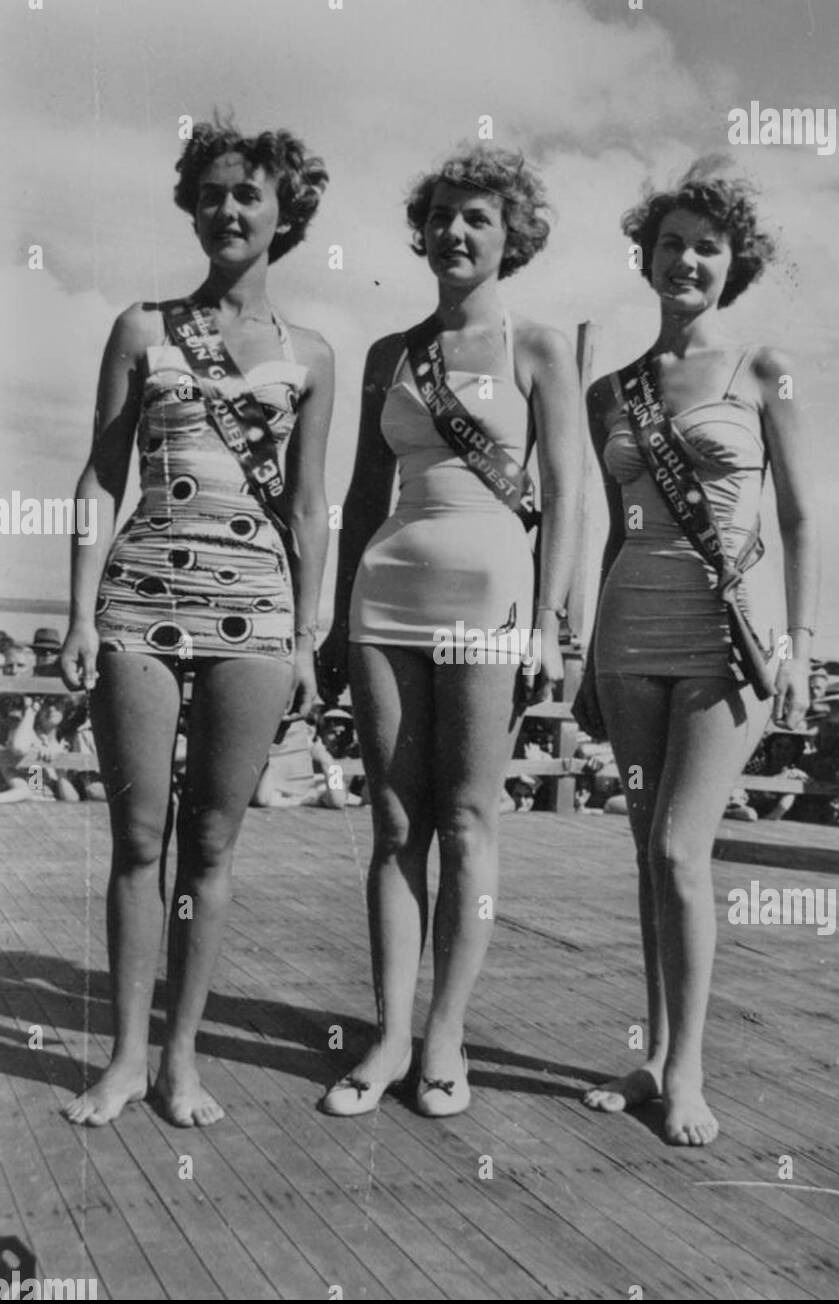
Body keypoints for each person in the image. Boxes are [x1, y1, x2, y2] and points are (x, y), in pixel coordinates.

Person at [59, 119, 334, 1127]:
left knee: (211, 849)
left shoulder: (314, 355)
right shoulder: (142, 327)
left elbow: (309, 508)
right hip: (141, 602)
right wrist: (82, 610)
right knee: (139, 839)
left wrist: (309, 636)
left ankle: (181, 1061)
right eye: (212, 192)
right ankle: (125, 1057)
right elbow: (101, 474)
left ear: (283, 212)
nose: (228, 209)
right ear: (192, 203)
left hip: (256, 612)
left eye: (248, 195)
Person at [317, 145, 580, 1117]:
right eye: (442, 218)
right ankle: (387, 1035)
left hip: (491, 599)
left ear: (512, 238)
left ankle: (445, 1037)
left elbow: (569, 497)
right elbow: (355, 491)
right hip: (386, 590)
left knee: (468, 823)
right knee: (395, 824)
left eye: (478, 219)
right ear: (421, 232)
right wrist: (336, 615)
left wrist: (553, 621)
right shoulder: (391, 353)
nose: (456, 234)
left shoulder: (537, 348)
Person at [578, 160, 819, 1145]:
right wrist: (588, 646)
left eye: (707, 246)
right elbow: (610, 529)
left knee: (683, 848)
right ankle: (653, 1053)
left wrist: (802, 642)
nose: (686, 259)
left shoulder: (761, 370)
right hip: (628, 632)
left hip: (729, 640)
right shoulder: (610, 391)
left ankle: (688, 1070)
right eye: (670, 242)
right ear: (647, 256)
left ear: (733, 264)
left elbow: (799, 518)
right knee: (646, 849)